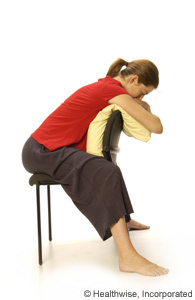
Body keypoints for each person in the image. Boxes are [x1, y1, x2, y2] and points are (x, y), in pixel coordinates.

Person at [22, 58, 169, 276]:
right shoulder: (111, 90)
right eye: (143, 92)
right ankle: (127, 257)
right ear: (134, 79)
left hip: (51, 149)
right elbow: (156, 127)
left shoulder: (111, 88)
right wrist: (140, 103)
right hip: (42, 151)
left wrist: (138, 101)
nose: (141, 97)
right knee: (106, 171)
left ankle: (124, 219)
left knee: (107, 168)